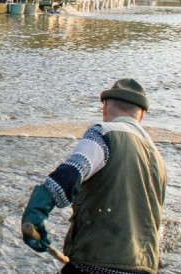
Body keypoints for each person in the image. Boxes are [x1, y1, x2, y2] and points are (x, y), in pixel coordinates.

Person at [21, 79, 167, 274]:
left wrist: (36, 212)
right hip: (145, 265)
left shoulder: (103, 134)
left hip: (95, 264)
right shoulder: (157, 159)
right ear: (142, 115)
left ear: (105, 107)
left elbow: (72, 172)